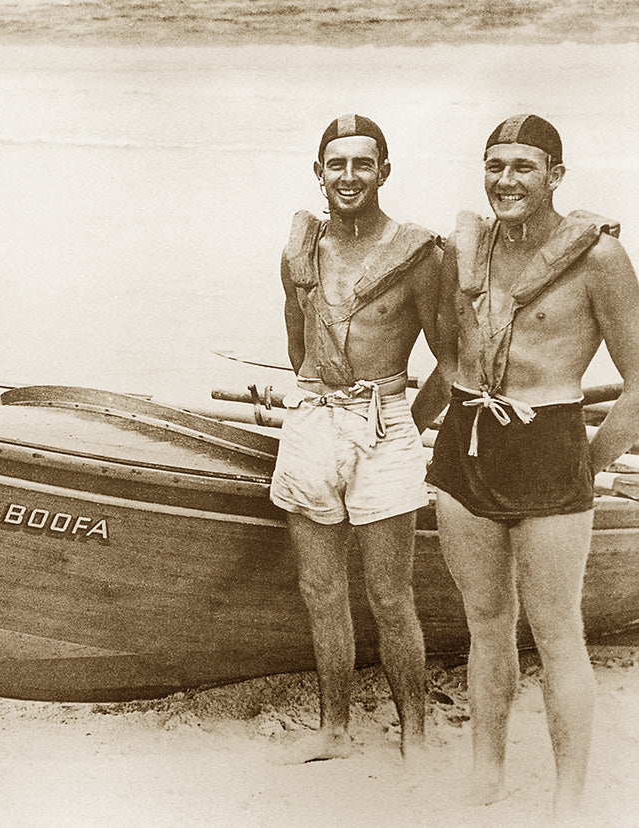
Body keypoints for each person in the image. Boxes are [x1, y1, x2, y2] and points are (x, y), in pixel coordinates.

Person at [415, 114, 639, 813]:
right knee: (485, 621)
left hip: (552, 449)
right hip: (467, 442)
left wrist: (589, 465)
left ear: (555, 176)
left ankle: (569, 798)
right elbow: (453, 360)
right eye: (495, 166)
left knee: (557, 630)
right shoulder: (468, 252)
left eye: (523, 167)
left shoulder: (597, 259)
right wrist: (402, 429)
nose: (505, 180)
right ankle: (488, 772)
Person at [270, 114, 443, 762]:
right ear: (319, 173)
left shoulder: (419, 254)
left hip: (386, 420)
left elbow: (450, 362)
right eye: (335, 164)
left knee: (390, 595)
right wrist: (321, 402)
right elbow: (296, 344)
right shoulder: (299, 254)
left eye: (361, 164)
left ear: (384, 172)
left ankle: (416, 739)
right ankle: (334, 731)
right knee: (321, 589)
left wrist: (402, 428)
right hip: (314, 418)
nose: (348, 176)